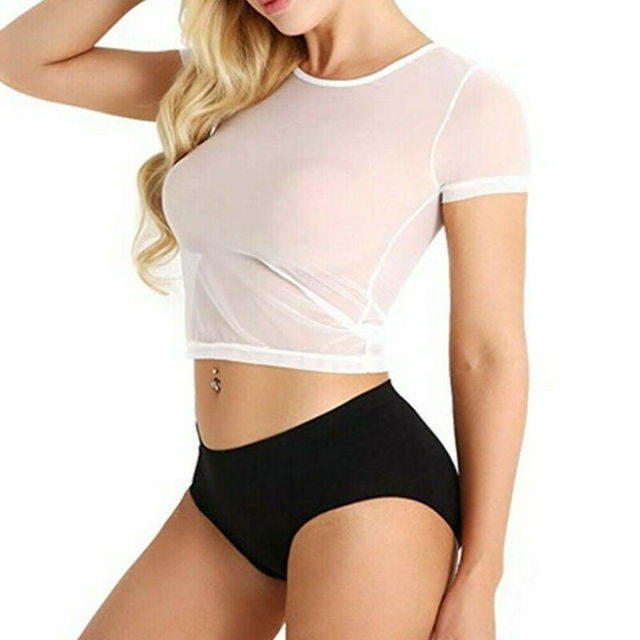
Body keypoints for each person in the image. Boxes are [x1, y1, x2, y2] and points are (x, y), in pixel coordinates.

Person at [0, 0, 530, 638]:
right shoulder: (231, 78)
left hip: (365, 492)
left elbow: (487, 351)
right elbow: (21, 58)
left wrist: (482, 576)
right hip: (222, 493)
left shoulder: (463, 102)